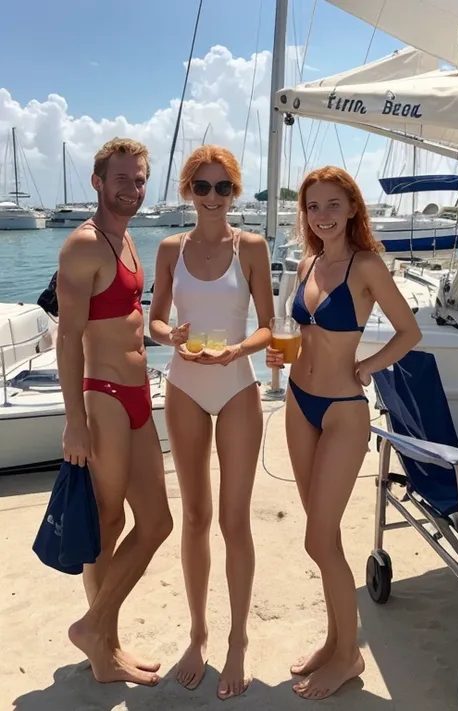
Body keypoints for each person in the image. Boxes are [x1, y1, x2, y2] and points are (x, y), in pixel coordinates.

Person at [266, 166, 422, 701]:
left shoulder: (367, 265)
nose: (322, 215)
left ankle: (349, 654)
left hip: (342, 410)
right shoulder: (308, 261)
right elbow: (302, 334)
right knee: (322, 534)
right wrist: (278, 354)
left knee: (318, 537)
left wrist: (370, 365)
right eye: (313, 206)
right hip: (298, 401)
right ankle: (336, 645)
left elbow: (410, 331)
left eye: (334, 204)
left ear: (354, 207)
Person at [149, 145, 274, 699]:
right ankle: (198, 633)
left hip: (237, 384)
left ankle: (238, 639)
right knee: (195, 516)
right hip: (184, 386)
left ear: (235, 192)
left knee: (234, 521)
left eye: (224, 188)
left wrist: (235, 350)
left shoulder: (252, 247)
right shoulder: (170, 248)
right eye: (203, 187)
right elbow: (154, 319)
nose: (213, 197)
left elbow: (268, 327)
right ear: (187, 192)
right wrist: (166, 336)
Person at [56, 138, 173, 686]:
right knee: (107, 524)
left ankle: (96, 628)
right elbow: (67, 338)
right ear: (98, 182)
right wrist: (74, 420)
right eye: (122, 179)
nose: (133, 188)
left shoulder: (126, 242)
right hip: (102, 395)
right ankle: (105, 649)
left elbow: (130, 318)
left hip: (137, 396)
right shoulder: (83, 246)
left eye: (140, 179)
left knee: (156, 522)